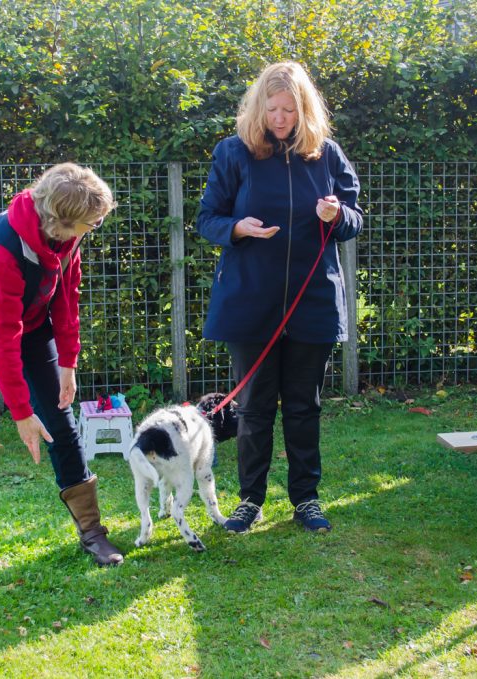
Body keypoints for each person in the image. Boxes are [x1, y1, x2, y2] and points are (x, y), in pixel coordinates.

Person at [0, 163, 122, 603]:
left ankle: (93, 534)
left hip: (32, 329)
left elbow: (66, 298)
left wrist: (68, 364)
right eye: (89, 223)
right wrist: (20, 412)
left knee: (62, 424)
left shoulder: (67, 237)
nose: (93, 229)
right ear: (59, 219)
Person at [195, 61, 363, 534]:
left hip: (313, 302)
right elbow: (207, 218)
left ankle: (306, 498)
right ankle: (250, 500)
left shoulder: (326, 154)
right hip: (250, 302)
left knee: (304, 405)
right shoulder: (233, 153)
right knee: (253, 406)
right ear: (257, 107)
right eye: (272, 108)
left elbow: (354, 219)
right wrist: (236, 229)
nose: (280, 118)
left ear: (304, 108)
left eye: (289, 109)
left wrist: (335, 214)